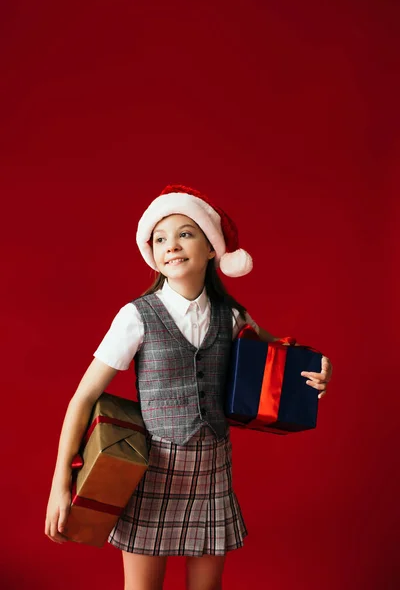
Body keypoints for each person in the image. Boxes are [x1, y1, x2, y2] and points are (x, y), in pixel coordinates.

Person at [45, 184, 333, 590]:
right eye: (160, 239)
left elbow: (288, 360)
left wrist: (322, 368)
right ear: (153, 254)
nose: (171, 245)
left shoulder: (231, 316)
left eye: (185, 233)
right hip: (151, 472)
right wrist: (61, 485)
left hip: (213, 468)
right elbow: (83, 399)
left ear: (211, 248)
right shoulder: (136, 317)